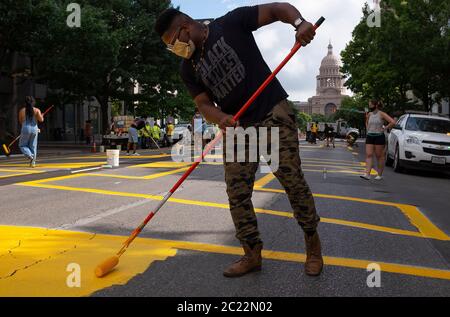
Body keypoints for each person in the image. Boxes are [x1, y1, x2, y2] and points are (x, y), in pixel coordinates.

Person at [155, 3, 322, 278]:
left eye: (173, 43)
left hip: (271, 113)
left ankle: (313, 247)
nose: (175, 50)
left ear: (184, 28)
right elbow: (203, 104)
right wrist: (219, 117)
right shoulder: (188, 69)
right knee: (237, 193)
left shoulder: (231, 23)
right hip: (238, 125)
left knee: (292, 182)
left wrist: (299, 23)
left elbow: (278, 9)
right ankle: (251, 253)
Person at [360, 100, 396, 181]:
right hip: (370, 136)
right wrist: (367, 128)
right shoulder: (369, 114)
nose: (369, 107)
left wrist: (384, 128)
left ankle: (379, 174)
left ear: (375, 106)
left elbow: (393, 122)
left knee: (379, 156)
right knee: (369, 154)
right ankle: (367, 174)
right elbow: (367, 123)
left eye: (370, 105)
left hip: (379, 136)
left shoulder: (381, 114)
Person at [18, 96, 44, 167]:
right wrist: (42, 116)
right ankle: (33, 163)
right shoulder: (37, 110)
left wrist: (25, 128)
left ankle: (30, 155)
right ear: (33, 102)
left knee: (22, 145)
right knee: (33, 146)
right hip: (35, 129)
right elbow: (41, 120)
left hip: (25, 128)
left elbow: (20, 121)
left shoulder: (22, 110)